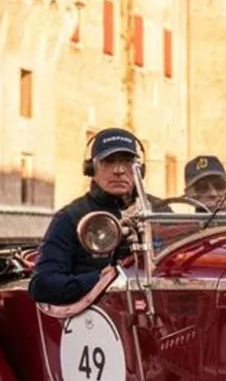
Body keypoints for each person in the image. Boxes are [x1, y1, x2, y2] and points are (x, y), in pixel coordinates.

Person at [29, 127, 142, 306]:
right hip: (99, 321)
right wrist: (101, 278)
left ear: (139, 170)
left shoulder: (159, 212)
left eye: (127, 162)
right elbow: (42, 285)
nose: (119, 170)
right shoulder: (71, 217)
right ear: (91, 169)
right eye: (108, 161)